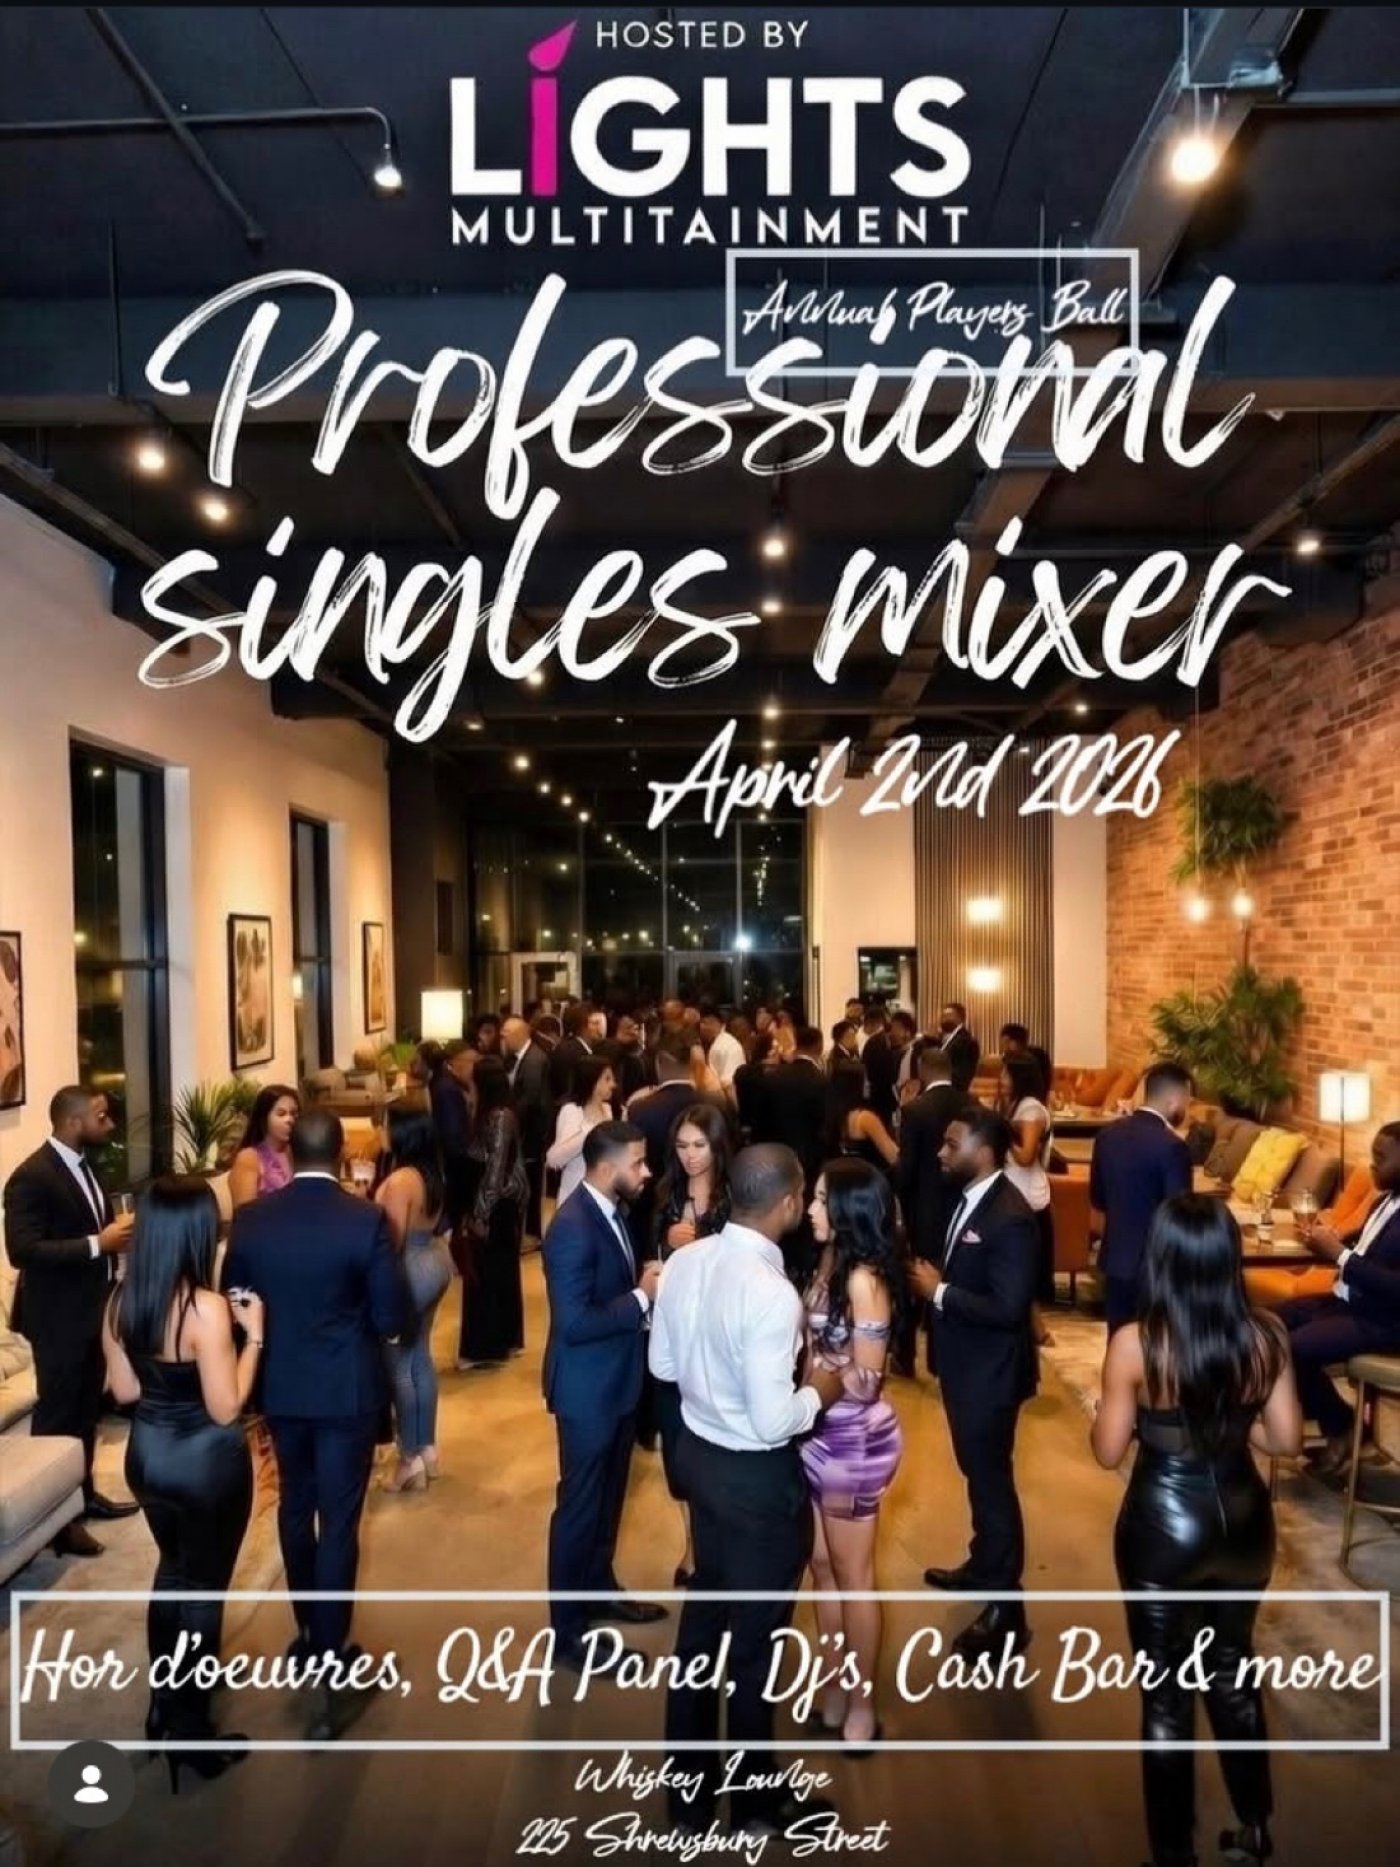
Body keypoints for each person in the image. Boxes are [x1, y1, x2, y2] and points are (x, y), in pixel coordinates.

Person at [1092, 1194, 1303, 1867]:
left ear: (1160, 1258)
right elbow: (1285, 1439)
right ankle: (1255, 1828)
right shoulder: (1266, 1336)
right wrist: (1235, 1422)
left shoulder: (1137, 1343)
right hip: (1243, 1522)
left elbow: (1107, 1451)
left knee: (1166, 1694)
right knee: (1233, 1671)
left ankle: (1173, 1853)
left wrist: (1115, 1409)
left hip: (1162, 1526)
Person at [650, 1146, 844, 1840]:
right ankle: (757, 1805)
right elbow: (771, 1420)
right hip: (756, 1481)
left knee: (703, 1626)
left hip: (698, 1457)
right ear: (788, 1203)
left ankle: (690, 1796)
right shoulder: (771, 1292)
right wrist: (819, 1391)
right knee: (756, 1647)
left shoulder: (687, 1260)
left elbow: (663, 1364)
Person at [221, 1108, 408, 1740]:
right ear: (340, 1155)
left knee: (295, 1509)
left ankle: (307, 1632)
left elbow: (235, 1297)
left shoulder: (253, 1219)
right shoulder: (364, 1219)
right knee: (341, 1521)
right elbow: (390, 1315)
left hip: (279, 1385)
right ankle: (331, 1658)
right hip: (346, 1390)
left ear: (290, 1153)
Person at [100, 1177, 258, 1785]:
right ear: (197, 1234)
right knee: (202, 1593)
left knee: (172, 1574)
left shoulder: (119, 1301)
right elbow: (227, 1406)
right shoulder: (205, 1308)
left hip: (147, 1459)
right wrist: (256, 1336)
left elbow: (124, 1391)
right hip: (205, 1467)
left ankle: (163, 1708)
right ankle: (191, 1734)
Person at [911, 1105, 1038, 1659]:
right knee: (978, 1476)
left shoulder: (1010, 1217)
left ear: (983, 1152)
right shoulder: (969, 1198)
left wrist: (938, 1292)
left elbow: (1008, 1308)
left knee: (992, 1485)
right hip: (966, 1366)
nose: (942, 1152)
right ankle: (984, 1564)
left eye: (951, 1143)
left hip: (991, 1374)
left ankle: (1007, 1612)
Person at [542, 1122, 666, 1669]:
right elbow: (573, 1323)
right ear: (606, 1166)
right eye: (638, 1162)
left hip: (616, 1382)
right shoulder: (571, 1227)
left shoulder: (613, 1211)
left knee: (610, 1497)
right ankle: (568, 1636)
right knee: (580, 1507)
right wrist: (641, 1296)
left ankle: (597, 1588)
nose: (647, 1171)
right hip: (586, 1391)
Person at [2, 1085, 137, 1553]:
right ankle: (56, 1523)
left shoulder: (88, 1164)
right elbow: (23, 1251)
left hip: (91, 1309)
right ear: (73, 1121)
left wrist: (116, 1257)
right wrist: (100, 1244)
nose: (110, 1124)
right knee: (59, 1415)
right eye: (102, 1116)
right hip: (57, 1317)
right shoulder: (30, 1177)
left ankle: (82, 1496)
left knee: (85, 1411)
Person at [801, 1160, 905, 1749]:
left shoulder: (865, 1280)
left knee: (853, 1575)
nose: (811, 1209)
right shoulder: (829, 1261)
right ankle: (835, 1686)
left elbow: (867, 1378)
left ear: (847, 1210)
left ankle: (862, 1701)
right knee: (821, 1566)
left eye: (821, 1200)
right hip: (815, 1432)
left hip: (853, 1441)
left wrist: (813, 1382)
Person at [1277, 1120, 1400, 1473]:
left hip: (1384, 1320)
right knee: (1265, 1325)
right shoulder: (1384, 1201)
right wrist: (1325, 1240)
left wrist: (1340, 1255)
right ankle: (1313, 1415)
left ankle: (1341, 1425)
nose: (1373, 1164)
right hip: (1347, 1301)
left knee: (1293, 1349)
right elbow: (1362, 1245)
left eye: (1381, 1158)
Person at [651, 1103, 734, 1585]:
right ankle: (692, 1547)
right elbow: (650, 1261)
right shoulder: (666, 1193)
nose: (690, 1155)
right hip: (675, 1337)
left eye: (699, 1145)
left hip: (720, 1338)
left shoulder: (734, 1198)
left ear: (717, 1144)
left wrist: (700, 1246)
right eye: (681, 1146)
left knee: (716, 1448)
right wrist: (667, 1242)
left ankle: (716, 1546)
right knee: (677, 1447)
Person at [375, 1098, 453, 1494]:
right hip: (436, 1258)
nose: (380, 1130)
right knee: (420, 1356)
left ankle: (408, 1460)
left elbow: (390, 1241)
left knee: (399, 1365)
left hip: (410, 1266)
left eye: (385, 1124)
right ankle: (427, 1448)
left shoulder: (400, 1181)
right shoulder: (429, 1171)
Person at [1089, 1061, 1194, 1335]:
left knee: (1118, 1341)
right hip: (1157, 1267)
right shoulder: (1173, 1147)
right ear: (1175, 1100)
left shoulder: (1107, 1136)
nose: (1188, 1110)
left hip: (1115, 1260)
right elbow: (1179, 1213)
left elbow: (1098, 1198)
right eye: (1188, 1101)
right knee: (1155, 1346)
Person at [458, 1054, 530, 1367]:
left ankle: (487, 1347)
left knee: (489, 1275)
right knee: (497, 1273)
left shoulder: (500, 1117)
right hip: (496, 1204)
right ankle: (504, 1339)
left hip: (496, 1206)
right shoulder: (493, 1114)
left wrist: (480, 1215)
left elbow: (495, 1172)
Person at [999, 1052, 1057, 1347]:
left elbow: (1025, 1156)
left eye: (1005, 1074)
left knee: (1024, 1267)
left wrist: (1003, 1132)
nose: (1000, 1079)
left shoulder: (1031, 1109)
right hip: (1013, 1193)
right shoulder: (1015, 1105)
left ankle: (1039, 1331)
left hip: (1027, 1197)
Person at [501, 1014, 552, 1243]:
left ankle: (531, 1234)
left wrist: (509, 1121)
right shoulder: (517, 1057)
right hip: (527, 1131)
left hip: (532, 1133)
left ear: (519, 1034)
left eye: (506, 1034)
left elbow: (529, 1099)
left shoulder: (534, 1060)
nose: (503, 1039)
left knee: (531, 1182)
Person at [546, 1056, 619, 1211]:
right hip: (575, 1196)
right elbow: (554, 1159)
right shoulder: (572, 1111)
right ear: (592, 1081)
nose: (613, 1084)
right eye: (607, 1079)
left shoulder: (608, 1110)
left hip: (604, 1195)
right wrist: (590, 1133)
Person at [227, 1086, 301, 1209]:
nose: (290, 1120)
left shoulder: (300, 1152)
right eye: (281, 1114)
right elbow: (244, 1213)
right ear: (264, 1118)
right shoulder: (249, 1158)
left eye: (294, 1114)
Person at [825, 1060, 899, 1170]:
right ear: (854, 1085)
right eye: (865, 1080)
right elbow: (893, 1156)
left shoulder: (832, 1115)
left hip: (840, 1176)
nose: (868, 1084)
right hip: (869, 1176)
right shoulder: (865, 1119)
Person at [937, 1001, 981, 1093]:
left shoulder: (967, 1042)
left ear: (959, 1018)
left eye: (947, 1016)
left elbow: (963, 1074)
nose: (943, 1019)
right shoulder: (944, 1039)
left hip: (954, 1092)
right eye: (942, 1016)